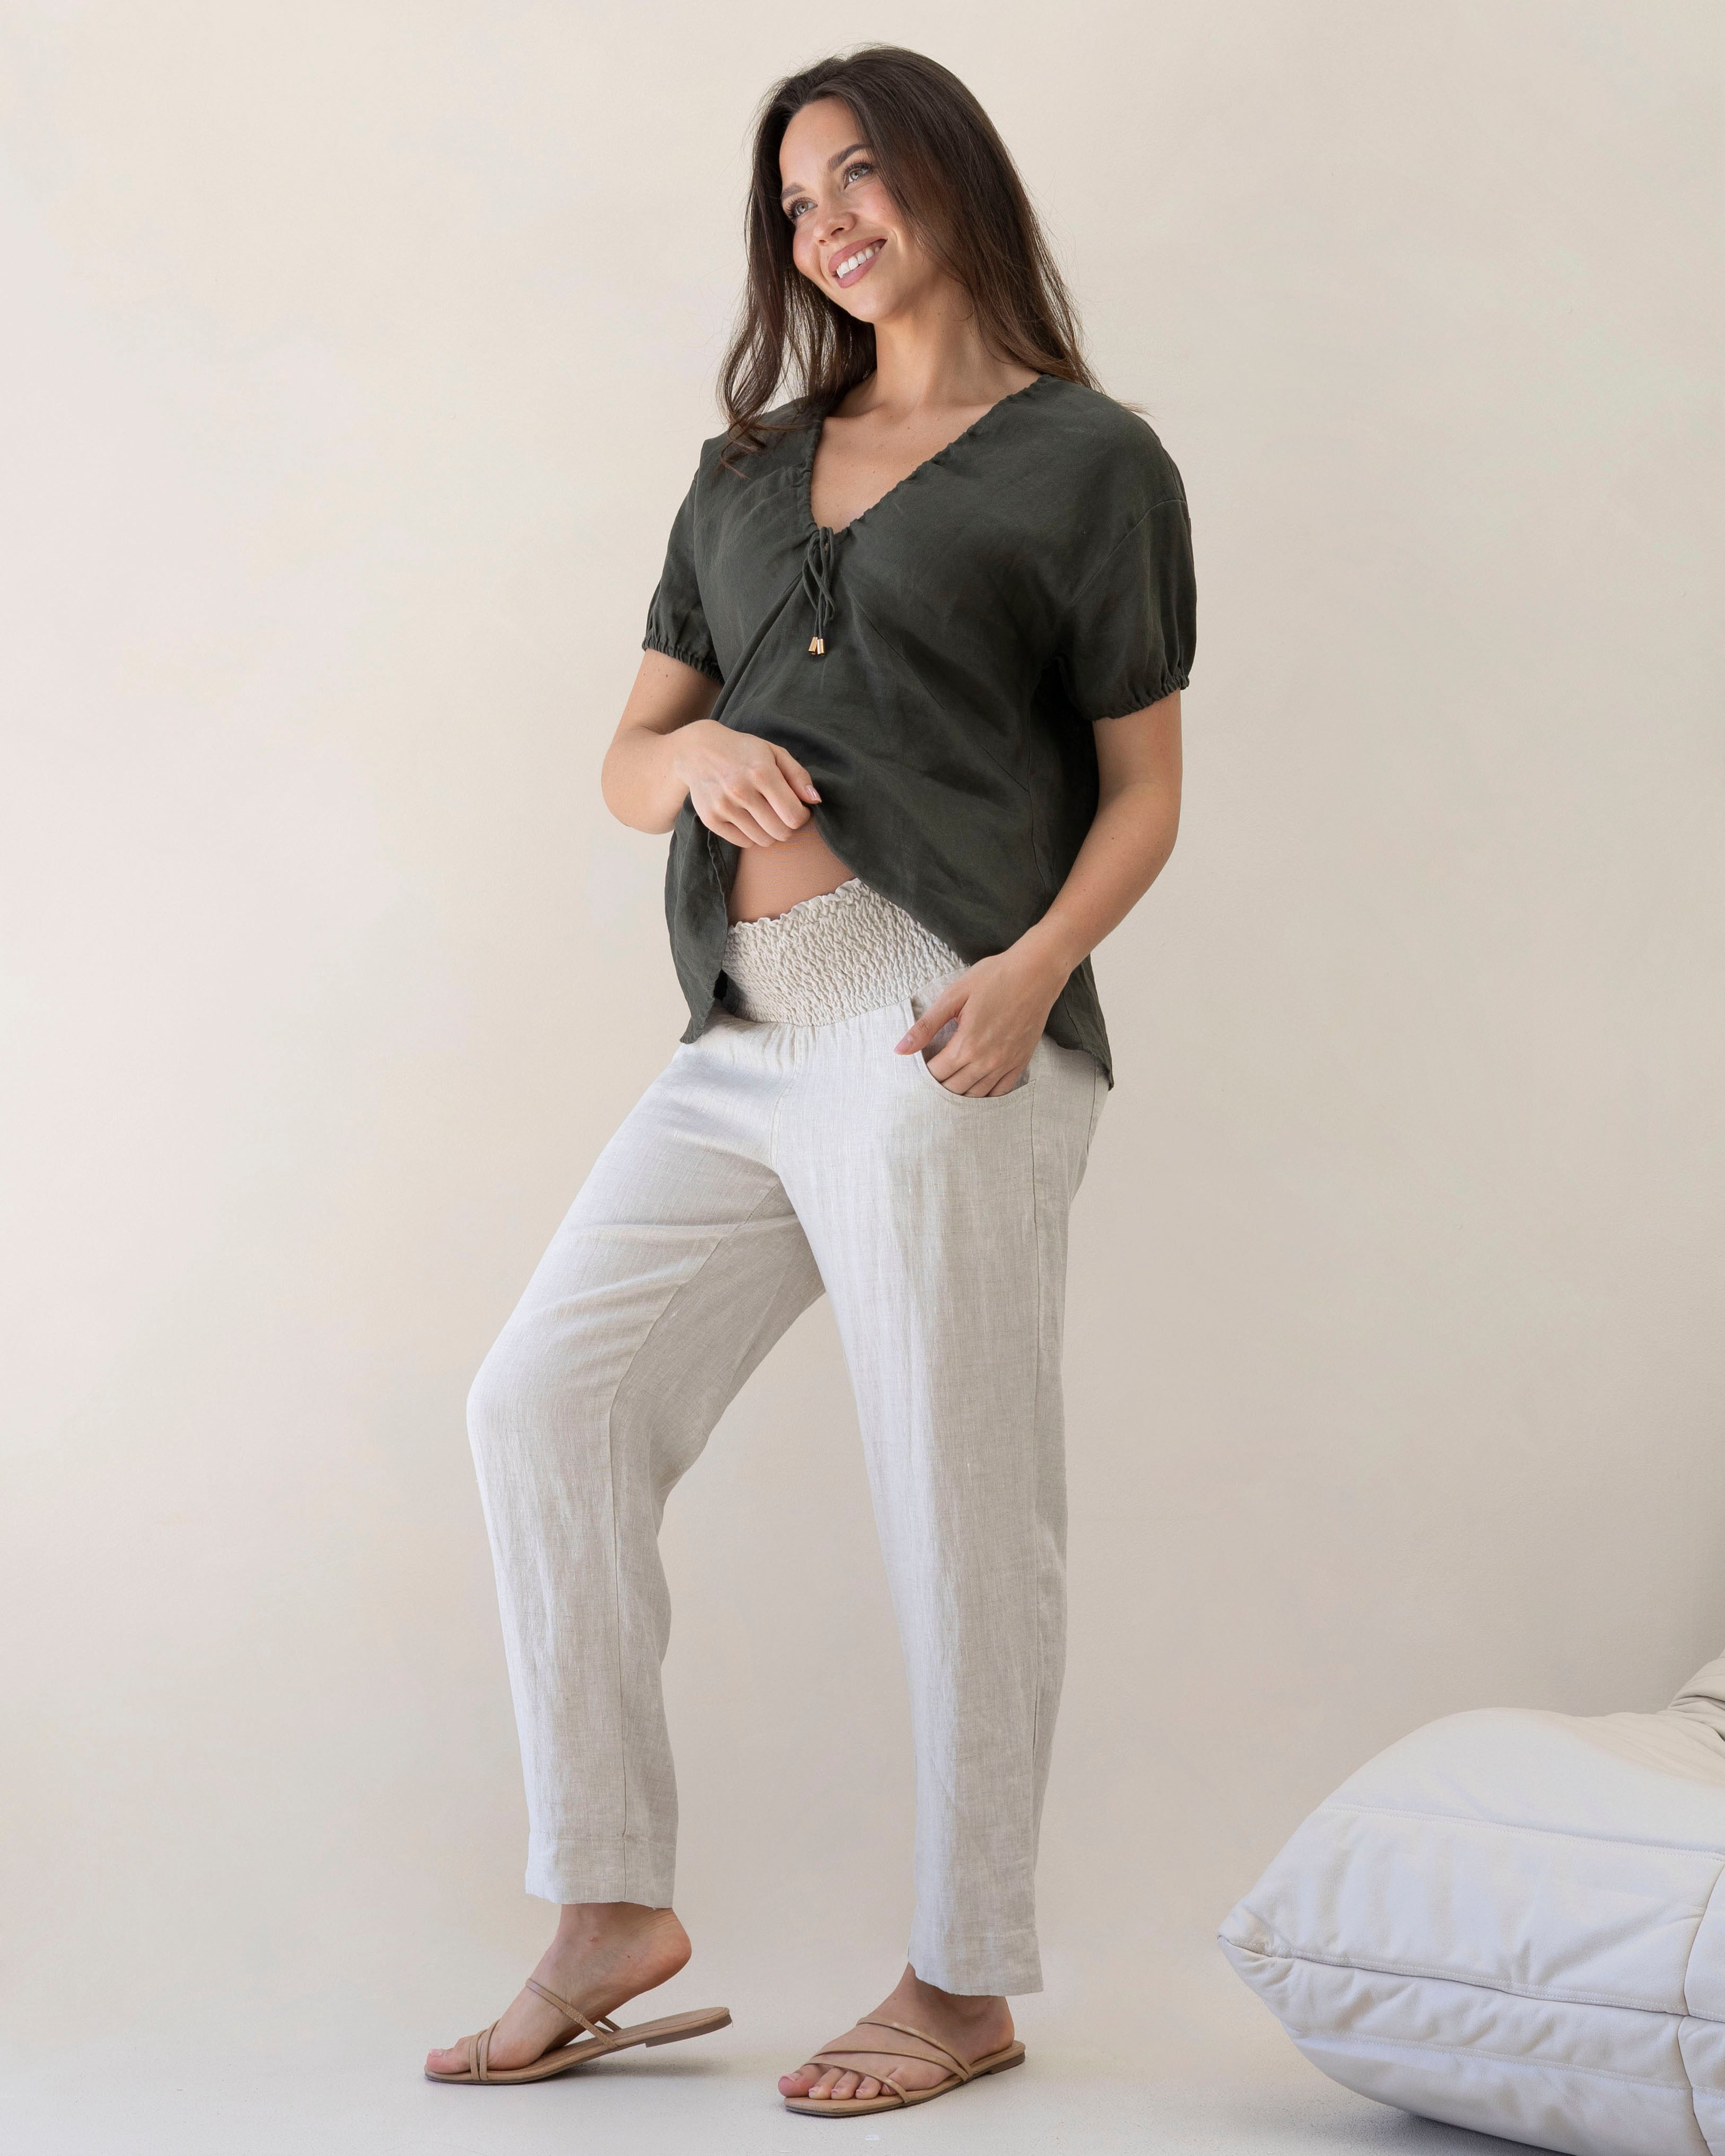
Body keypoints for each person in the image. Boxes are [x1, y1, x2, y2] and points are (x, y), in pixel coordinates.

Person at [426, 42, 1195, 2118]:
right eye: (792, 200)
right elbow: (626, 759)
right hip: (744, 1035)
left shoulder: (1089, 461)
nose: (827, 221)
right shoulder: (746, 471)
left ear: (948, 175)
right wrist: (685, 756)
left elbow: (1144, 788)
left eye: (857, 174)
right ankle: (610, 1905)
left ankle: (965, 1977)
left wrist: (1035, 969)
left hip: (948, 1026)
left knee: (962, 1501)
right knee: (548, 1400)